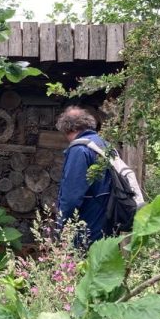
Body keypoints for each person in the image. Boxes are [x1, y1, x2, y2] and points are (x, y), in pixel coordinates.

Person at [55, 105, 113, 246]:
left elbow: (71, 197)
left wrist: (60, 226)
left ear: (71, 128)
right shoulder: (104, 145)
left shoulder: (80, 150)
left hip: (87, 225)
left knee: (82, 265)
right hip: (107, 220)